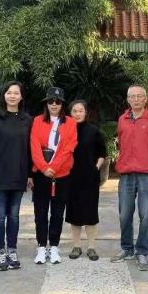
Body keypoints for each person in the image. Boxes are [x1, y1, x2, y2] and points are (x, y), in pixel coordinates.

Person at [110, 85, 148, 272]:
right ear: (128, 100)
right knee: (124, 214)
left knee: (145, 215)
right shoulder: (122, 119)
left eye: (140, 96)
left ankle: (142, 251)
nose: (136, 99)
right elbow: (121, 143)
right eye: (132, 96)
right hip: (126, 173)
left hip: (146, 174)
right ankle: (127, 248)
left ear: (145, 99)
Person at [0, 81, 32, 271]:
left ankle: (12, 250)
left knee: (14, 216)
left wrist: (30, 174)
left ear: (21, 96)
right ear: (4, 95)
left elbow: (30, 150)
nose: (12, 96)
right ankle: (0, 252)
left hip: (19, 174)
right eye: (9, 92)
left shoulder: (27, 120)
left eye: (16, 93)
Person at [29, 87, 77, 265]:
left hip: (62, 174)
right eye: (50, 101)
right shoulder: (37, 121)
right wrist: (44, 168)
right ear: (46, 104)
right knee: (40, 212)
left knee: (57, 213)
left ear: (62, 104)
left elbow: (69, 147)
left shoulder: (70, 122)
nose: (54, 105)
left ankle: (54, 246)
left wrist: (54, 168)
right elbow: (34, 146)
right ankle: (41, 247)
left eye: (57, 102)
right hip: (41, 174)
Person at [66, 100, 107, 261]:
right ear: (70, 113)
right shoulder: (65, 130)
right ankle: (76, 246)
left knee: (90, 213)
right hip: (70, 178)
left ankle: (91, 247)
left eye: (80, 111)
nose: (77, 114)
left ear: (85, 112)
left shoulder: (93, 131)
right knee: (74, 213)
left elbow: (102, 153)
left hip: (90, 178)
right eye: (74, 111)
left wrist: (96, 168)